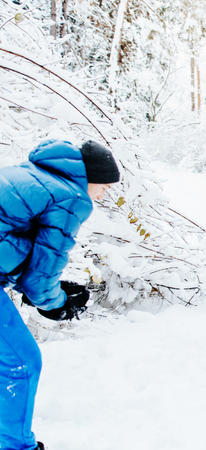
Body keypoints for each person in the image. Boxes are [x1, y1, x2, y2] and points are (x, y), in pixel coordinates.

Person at [0, 139, 120, 450]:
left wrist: (33, 288)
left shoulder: (31, 173)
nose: (102, 194)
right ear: (89, 177)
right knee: (22, 362)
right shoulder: (72, 196)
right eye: (104, 187)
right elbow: (42, 278)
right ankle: (15, 447)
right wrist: (58, 304)